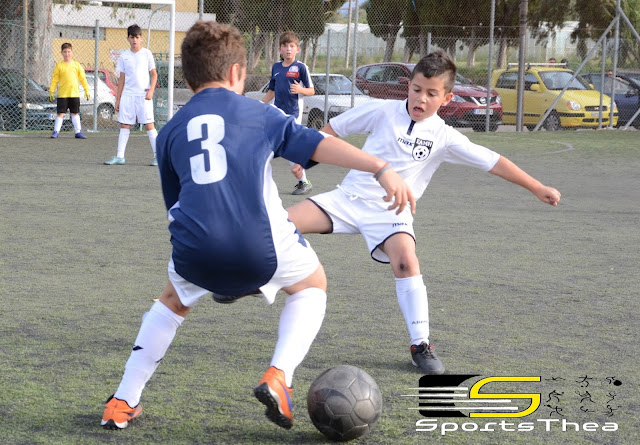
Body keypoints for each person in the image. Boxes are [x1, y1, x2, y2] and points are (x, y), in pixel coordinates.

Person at [100, 21, 414, 432]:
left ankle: (122, 401)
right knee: (312, 285)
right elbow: (318, 145)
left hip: (195, 248)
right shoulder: (259, 114)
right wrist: (379, 167)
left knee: (172, 303)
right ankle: (279, 375)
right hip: (259, 246)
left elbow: (175, 206)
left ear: (188, 78)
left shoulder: (171, 131)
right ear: (236, 73)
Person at [285, 51, 562, 375]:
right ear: (409, 86)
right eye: (417, 89)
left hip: (392, 212)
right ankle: (248, 277)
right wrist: (305, 158)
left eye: (432, 93)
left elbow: (493, 162)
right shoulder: (382, 111)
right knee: (280, 224)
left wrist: (536, 186)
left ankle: (421, 344)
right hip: (347, 199)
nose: (421, 98)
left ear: (446, 98)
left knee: (407, 261)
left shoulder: (444, 136)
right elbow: (334, 128)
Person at [261, 31, 315, 195]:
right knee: (267, 144)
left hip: (293, 115)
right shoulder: (276, 67)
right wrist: (259, 105)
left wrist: (301, 90)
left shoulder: (301, 67)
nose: (288, 49)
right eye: (285, 46)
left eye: (292, 46)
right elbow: (271, 91)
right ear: (280, 50)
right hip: (277, 113)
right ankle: (259, 181)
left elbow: (311, 90)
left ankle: (304, 182)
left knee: (288, 147)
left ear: (297, 49)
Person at [104, 24, 158, 166]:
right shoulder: (124, 56)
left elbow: (154, 74)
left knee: (149, 125)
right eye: (132, 37)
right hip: (128, 96)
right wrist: (118, 99)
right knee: (124, 125)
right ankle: (120, 157)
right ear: (128, 38)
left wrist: (151, 90)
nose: (135, 40)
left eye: (137, 37)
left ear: (141, 38)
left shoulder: (147, 53)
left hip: (143, 95)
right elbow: (121, 79)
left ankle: (158, 156)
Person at [48, 43, 90, 139]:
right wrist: (51, 91)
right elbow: (54, 80)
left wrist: (86, 90)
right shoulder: (59, 66)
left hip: (74, 94)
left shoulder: (77, 65)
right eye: (65, 52)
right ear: (61, 53)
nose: (67, 54)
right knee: (60, 113)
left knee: (75, 113)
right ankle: (56, 131)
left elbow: (83, 79)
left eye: (69, 52)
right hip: (63, 95)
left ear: (72, 52)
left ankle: (78, 132)